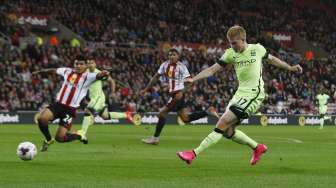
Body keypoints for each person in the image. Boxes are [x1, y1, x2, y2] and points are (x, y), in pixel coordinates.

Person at [177, 25, 303, 165]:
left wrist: (290, 68)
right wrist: (194, 79)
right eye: (230, 43)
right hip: (239, 95)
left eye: (234, 43)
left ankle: (193, 154)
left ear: (243, 39)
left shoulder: (257, 49)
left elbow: (273, 60)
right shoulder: (230, 53)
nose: (232, 46)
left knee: (223, 122)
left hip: (255, 94)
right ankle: (257, 147)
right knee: (227, 131)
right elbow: (212, 70)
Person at [140, 48, 219, 145]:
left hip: (178, 94)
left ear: (178, 56)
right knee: (185, 119)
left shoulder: (182, 67)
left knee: (162, 113)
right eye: (170, 55)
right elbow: (155, 77)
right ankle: (208, 111)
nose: (171, 56)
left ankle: (155, 138)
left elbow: (190, 81)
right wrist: (146, 89)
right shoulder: (164, 65)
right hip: (174, 94)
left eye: (173, 54)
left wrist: (182, 92)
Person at [32, 55, 110, 151]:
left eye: (81, 64)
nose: (78, 66)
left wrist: (104, 74)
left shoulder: (89, 77)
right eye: (76, 63)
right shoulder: (67, 71)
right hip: (58, 105)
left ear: (86, 65)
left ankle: (79, 135)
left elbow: (100, 76)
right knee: (41, 118)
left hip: (69, 110)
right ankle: (48, 139)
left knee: (60, 138)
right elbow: (53, 70)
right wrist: (40, 71)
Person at [77, 59, 138, 143]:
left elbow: (111, 81)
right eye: (88, 63)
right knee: (105, 116)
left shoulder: (99, 73)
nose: (89, 64)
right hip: (96, 98)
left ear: (95, 64)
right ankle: (126, 115)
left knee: (88, 110)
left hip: (98, 98)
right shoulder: (85, 72)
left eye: (91, 63)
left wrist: (113, 93)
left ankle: (83, 133)